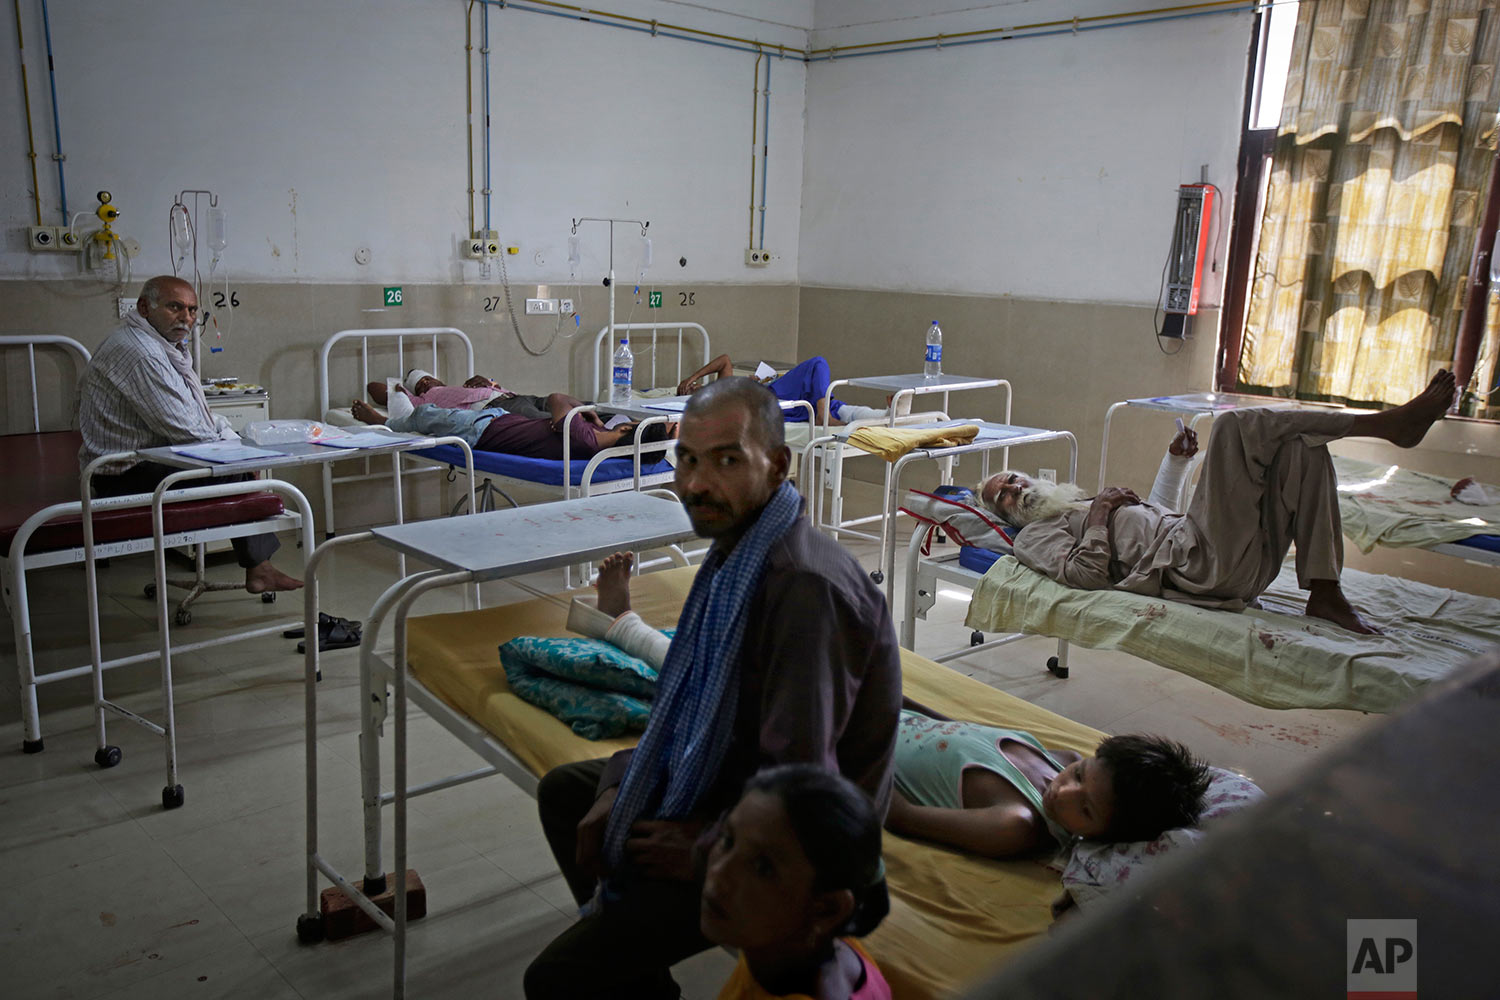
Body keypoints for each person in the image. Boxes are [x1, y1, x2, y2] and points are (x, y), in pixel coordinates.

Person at [524, 376, 903, 1000]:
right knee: (571, 793)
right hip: (738, 784)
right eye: (688, 460)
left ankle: (616, 960)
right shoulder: (738, 556)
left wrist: (704, 845)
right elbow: (690, 708)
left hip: (798, 850)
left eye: (727, 460)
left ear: (777, 465)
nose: (697, 484)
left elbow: (802, 779)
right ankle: (639, 978)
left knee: (558, 979)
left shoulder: (802, 589)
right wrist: (621, 782)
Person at [978, 372, 1458, 634]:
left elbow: (1159, 516)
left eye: (1013, 479)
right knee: (1232, 426)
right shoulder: (1036, 535)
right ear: (1006, 515)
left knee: (1297, 449)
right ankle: (1388, 425)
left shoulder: (1076, 502)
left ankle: (1326, 592)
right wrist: (1102, 513)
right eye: (1002, 497)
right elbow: (1084, 576)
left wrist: (1174, 463)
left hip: (1223, 558)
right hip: (1198, 568)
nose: (1014, 490)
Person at [77, 275, 302, 594]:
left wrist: (232, 440)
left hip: (145, 457)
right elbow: (185, 429)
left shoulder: (160, 346)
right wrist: (236, 452)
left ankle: (259, 566)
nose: (187, 317)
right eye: (175, 307)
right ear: (144, 307)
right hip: (121, 473)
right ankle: (259, 568)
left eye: (193, 310)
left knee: (238, 468)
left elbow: (196, 414)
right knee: (233, 476)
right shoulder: (140, 354)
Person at [886, 706, 1211, 857]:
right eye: (1080, 775)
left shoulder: (1014, 825)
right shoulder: (1065, 759)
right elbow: (959, 730)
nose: (1063, 790)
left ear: (1103, 837)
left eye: (1085, 809)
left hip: (849, 743)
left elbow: (900, 816)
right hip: (885, 712)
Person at [704, 765, 892, 1000]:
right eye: (728, 840)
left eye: (763, 867)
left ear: (826, 909)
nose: (718, 874)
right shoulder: (831, 948)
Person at [348, 392, 673, 461]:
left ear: (627, 431)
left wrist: (586, 412)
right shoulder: (592, 441)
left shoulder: (584, 438)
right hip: (498, 420)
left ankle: (384, 421)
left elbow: (557, 397)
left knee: (424, 416)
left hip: (482, 429)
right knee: (432, 413)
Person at [676, 355, 895, 425]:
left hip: (775, 393)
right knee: (818, 364)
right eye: (691, 390)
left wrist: (692, 377)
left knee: (834, 404)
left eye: (693, 386)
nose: (695, 387)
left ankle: (887, 418)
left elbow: (724, 360)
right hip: (775, 400)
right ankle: (824, 416)